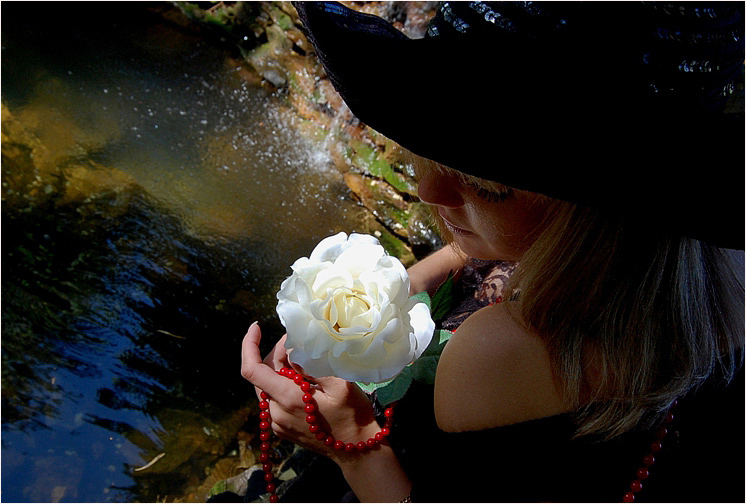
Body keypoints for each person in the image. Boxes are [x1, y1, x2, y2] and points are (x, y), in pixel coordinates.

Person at [241, 2, 744, 502]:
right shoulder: (710, 269)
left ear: (603, 204)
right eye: (430, 148)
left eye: (486, 185)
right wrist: (399, 288)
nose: (429, 192)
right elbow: (499, 241)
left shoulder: (500, 357)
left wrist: (351, 443)